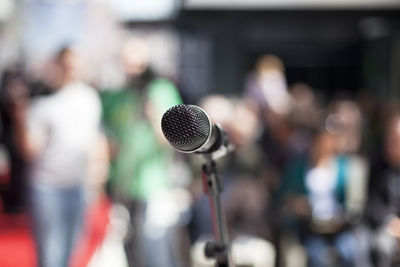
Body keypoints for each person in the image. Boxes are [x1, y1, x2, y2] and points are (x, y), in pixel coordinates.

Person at [9, 46, 101, 267]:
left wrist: (96, 180)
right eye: (68, 65)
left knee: (73, 251)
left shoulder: (89, 98)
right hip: (47, 186)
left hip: (78, 185)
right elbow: (30, 149)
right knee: (50, 255)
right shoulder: (43, 102)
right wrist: (19, 117)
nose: (72, 70)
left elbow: (94, 141)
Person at [101, 36, 183, 267]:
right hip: (123, 183)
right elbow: (110, 137)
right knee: (130, 247)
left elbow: (172, 139)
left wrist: (155, 115)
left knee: (155, 249)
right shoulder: (119, 95)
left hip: (153, 184)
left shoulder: (160, 90)